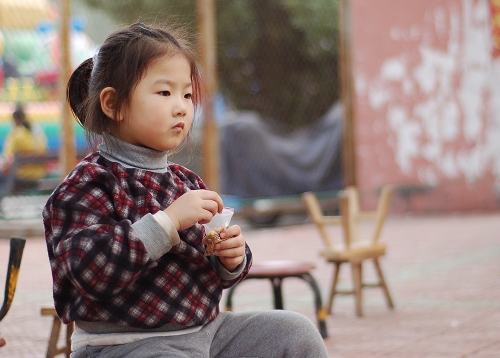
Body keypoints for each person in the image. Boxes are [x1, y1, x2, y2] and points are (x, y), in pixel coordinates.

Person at [42, 22, 329, 358]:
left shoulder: (185, 182)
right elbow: (90, 270)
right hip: (125, 346)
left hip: (206, 333)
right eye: (165, 93)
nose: (182, 107)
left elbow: (210, 270)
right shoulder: (88, 185)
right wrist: (167, 222)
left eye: (188, 95)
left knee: (294, 332)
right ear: (113, 104)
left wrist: (231, 258)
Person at [1, 104, 47, 181]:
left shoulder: (16, 133)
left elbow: (8, 156)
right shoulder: (37, 132)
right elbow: (42, 150)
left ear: (15, 120)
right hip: (39, 173)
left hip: (22, 174)